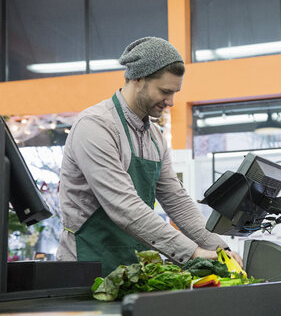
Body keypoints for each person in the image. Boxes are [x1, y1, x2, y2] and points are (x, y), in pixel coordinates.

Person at [56, 37, 241, 276]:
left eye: (175, 92)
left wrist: (219, 248)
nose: (171, 102)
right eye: (165, 91)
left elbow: (177, 201)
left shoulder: (155, 135)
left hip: (133, 270)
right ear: (138, 79)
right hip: (87, 268)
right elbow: (124, 206)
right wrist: (192, 253)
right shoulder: (96, 127)